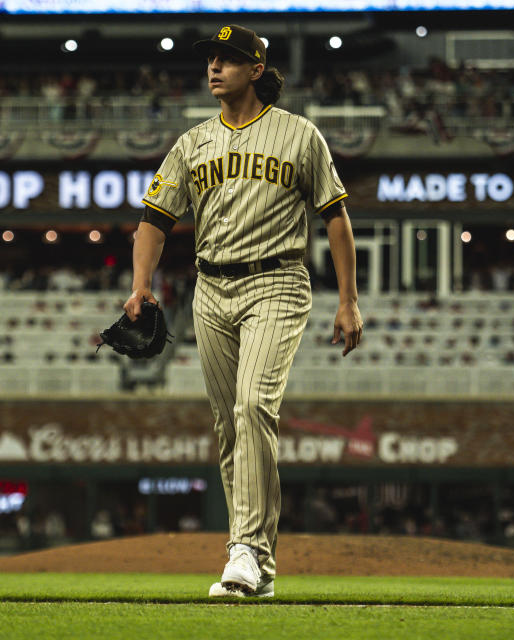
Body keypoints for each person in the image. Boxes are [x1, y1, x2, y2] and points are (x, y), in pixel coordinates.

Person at [124, 24, 362, 598]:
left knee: (254, 406)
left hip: (277, 280)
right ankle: (254, 564)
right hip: (211, 288)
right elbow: (154, 220)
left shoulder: (299, 135)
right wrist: (140, 286)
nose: (214, 68)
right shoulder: (192, 142)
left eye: (227, 60)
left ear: (256, 69)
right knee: (230, 425)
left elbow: (335, 217)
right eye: (210, 59)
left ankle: (246, 552)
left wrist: (349, 300)